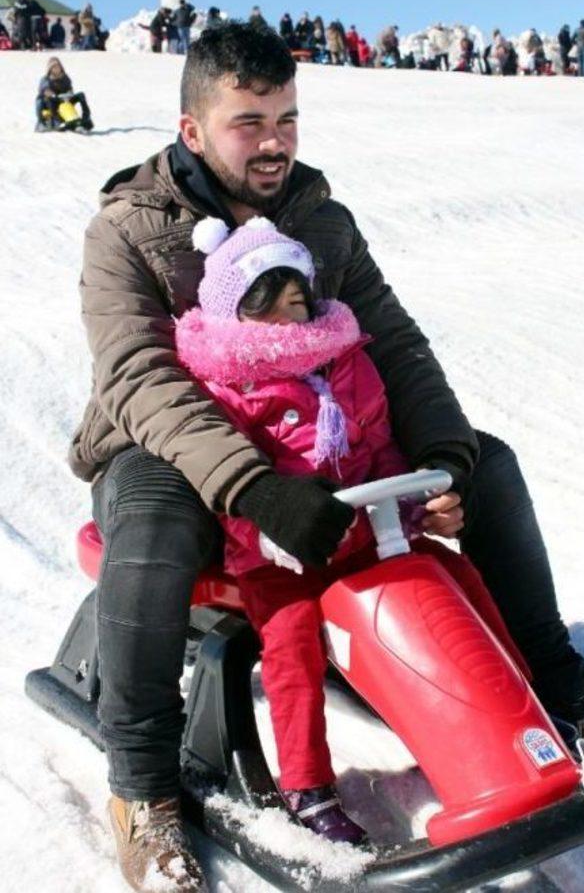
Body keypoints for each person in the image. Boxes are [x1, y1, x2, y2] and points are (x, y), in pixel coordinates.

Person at [71, 21, 584, 892]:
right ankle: (142, 792)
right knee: (155, 511)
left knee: (496, 458)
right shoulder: (130, 232)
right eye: (250, 122)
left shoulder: (321, 221)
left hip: (314, 438)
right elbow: (140, 380)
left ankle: (561, 695)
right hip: (174, 449)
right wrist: (253, 487)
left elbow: (394, 342)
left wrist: (447, 457)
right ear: (192, 130)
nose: (275, 141)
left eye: (286, 118)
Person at [174, 214, 534, 845]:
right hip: (278, 558)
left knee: (453, 572)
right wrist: (263, 536)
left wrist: (413, 501)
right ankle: (308, 786)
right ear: (236, 312)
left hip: (371, 532)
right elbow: (226, 487)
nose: (291, 319)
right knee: (291, 642)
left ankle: (520, 718)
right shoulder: (228, 389)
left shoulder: (346, 364)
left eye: (297, 301)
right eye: (270, 307)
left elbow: (380, 448)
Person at [35, 56, 93, 131]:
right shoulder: (46, 79)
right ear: (50, 69)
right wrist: (52, 95)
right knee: (46, 100)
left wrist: (69, 94)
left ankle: (86, 116)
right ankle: (55, 120)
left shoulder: (65, 77)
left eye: (58, 66)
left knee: (81, 95)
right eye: (54, 67)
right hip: (53, 101)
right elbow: (44, 89)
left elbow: (70, 88)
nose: (56, 68)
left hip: (65, 100)